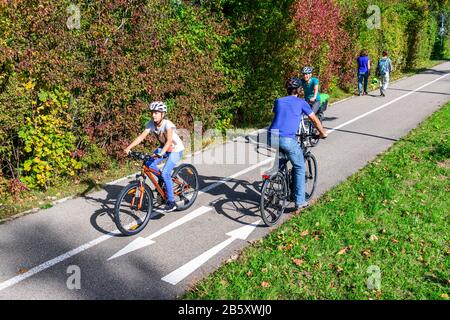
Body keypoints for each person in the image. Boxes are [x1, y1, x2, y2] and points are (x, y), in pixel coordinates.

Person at [268, 77, 327, 212]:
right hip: (287, 138)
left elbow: (281, 115)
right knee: (299, 167)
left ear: (287, 90)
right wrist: (323, 133)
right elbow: (314, 120)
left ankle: (277, 177)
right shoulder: (301, 102)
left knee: (282, 159)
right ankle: (300, 201)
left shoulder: (278, 101)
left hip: (271, 136)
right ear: (299, 90)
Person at [124, 101, 185, 212]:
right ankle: (163, 180)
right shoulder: (151, 124)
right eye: (152, 112)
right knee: (148, 163)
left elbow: (169, 141)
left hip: (176, 149)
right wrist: (129, 148)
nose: (153, 115)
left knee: (166, 172)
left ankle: (171, 202)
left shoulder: (168, 125)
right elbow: (141, 137)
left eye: (156, 112)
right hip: (163, 149)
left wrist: (161, 153)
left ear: (162, 114)